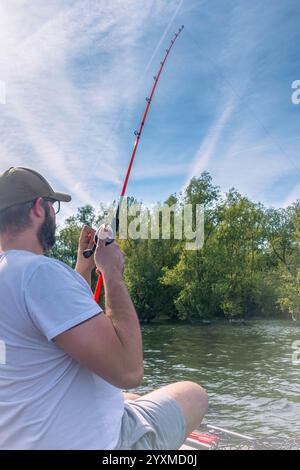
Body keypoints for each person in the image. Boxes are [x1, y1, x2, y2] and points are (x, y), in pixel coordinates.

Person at [0, 167, 208, 450]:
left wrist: (83, 268)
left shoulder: (16, 275)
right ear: (39, 208)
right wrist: (111, 273)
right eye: (53, 206)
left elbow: (64, 322)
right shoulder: (39, 273)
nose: (54, 215)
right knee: (193, 394)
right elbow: (129, 370)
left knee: (128, 400)